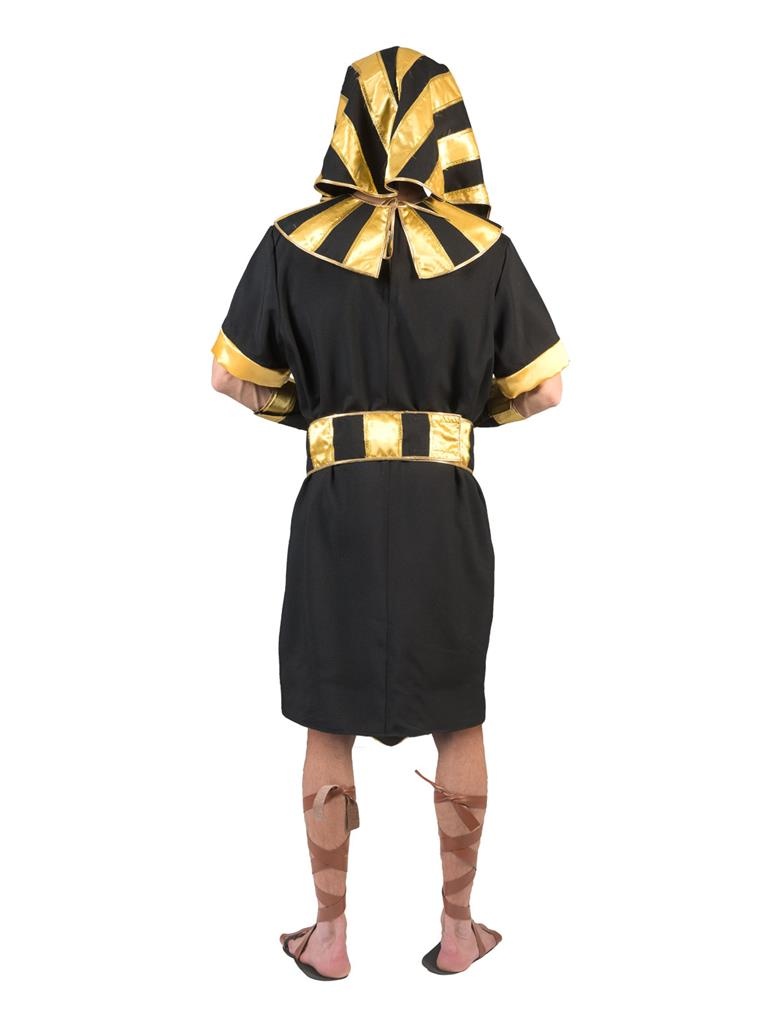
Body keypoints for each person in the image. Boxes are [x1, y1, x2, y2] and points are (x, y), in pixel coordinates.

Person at [210, 45, 569, 979]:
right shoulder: (486, 250)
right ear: (446, 128)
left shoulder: (291, 241)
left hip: (335, 505)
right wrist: (452, 415)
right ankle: (458, 928)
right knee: (458, 716)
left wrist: (315, 410)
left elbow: (230, 377)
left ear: (350, 123)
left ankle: (328, 936)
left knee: (326, 721)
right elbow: (543, 391)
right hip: (442, 510)